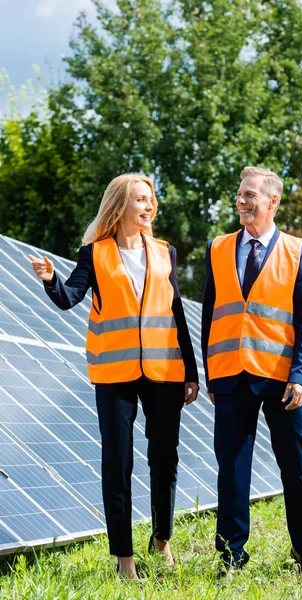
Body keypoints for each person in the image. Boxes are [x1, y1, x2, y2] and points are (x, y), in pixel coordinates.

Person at [29, 173, 199, 580]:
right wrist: (52, 279)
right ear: (120, 206)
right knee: (118, 462)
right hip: (114, 373)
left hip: (165, 371)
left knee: (164, 459)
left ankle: (162, 541)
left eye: (151, 199)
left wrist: (191, 372)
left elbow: (176, 312)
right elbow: (70, 299)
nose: (149, 206)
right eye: (141, 199)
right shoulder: (95, 253)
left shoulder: (165, 252)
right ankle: (124, 558)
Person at [201, 166, 302, 583]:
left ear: (272, 202)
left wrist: (301, 377)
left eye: (250, 194)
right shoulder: (217, 248)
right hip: (231, 377)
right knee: (231, 473)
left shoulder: (297, 252)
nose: (242, 201)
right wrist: (211, 371)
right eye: (239, 194)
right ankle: (230, 560)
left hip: (281, 380)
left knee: (295, 468)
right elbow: (210, 315)